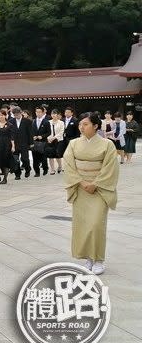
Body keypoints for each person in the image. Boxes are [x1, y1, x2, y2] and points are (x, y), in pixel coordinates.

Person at [63, 112, 120, 275]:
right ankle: (88, 258)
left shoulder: (107, 145)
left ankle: (99, 259)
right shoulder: (73, 144)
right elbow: (69, 165)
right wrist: (81, 182)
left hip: (99, 189)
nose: (81, 127)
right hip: (81, 188)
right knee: (83, 225)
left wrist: (96, 184)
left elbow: (111, 167)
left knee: (96, 224)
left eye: (86, 124)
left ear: (96, 126)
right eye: (81, 124)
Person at [0, 109, 15, 184]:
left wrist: (13, 146)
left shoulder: (10, 125)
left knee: (6, 161)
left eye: (2, 115)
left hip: (7, 144)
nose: (0, 117)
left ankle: (5, 178)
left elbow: (12, 137)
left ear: (5, 115)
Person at [11, 107, 33, 179]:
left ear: (21, 113)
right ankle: (17, 174)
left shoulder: (27, 121)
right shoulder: (11, 121)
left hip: (24, 143)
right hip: (15, 144)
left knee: (24, 159)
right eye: (15, 115)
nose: (16, 116)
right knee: (15, 160)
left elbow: (30, 133)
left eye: (17, 114)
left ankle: (28, 169)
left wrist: (31, 143)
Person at [31, 106, 51, 176]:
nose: (38, 113)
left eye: (39, 112)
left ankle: (45, 168)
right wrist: (32, 136)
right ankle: (37, 172)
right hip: (34, 142)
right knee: (35, 157)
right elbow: (30, 131)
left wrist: (42, 136)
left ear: (43, 113)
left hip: (43, 142)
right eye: (37, 112)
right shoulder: (33, 121)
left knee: (43, 157)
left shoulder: (46, 122)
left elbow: (49, 132)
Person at [46, 109, 65, 174]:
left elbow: (61, 132)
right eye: (52, 114)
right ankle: (52, 169)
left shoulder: (61, 122)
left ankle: (60, 166)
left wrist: (54, 138)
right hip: (50, 141)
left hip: (58, 140)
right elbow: (46, 132)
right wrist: (49, 138)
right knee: (50, 155)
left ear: (58, 115)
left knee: (58, 155)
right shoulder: (48, 122)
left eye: (55, 114)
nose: (53, 115)